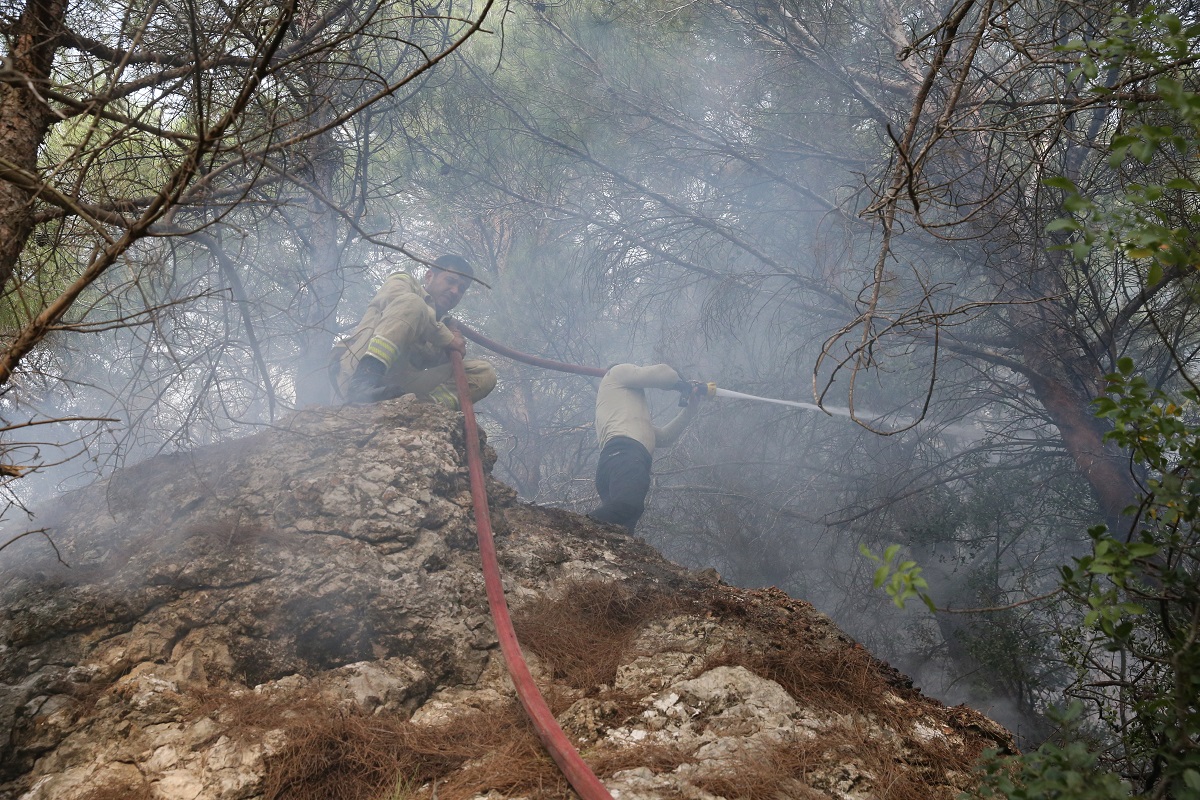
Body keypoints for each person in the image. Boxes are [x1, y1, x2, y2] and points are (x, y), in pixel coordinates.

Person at [331, 254, 497, 409]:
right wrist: (447, 338)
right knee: (414, 303)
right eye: (450, 281)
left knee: (484, 373)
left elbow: (445, 372)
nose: (455, 291)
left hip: (396, 391)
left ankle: (427, 409)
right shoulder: (403, 282)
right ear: (429, 276)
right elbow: (397, 299)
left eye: (462, 289)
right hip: (353, 375)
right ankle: (364, 381)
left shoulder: (447, 328)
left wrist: (453, 350)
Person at [590, 363, 704, 534]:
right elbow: (665, 375)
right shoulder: (616, 372)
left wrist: (691, 408)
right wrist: (684, 384)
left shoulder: (624, 414)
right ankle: (573, 529)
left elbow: (666, 437)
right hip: (626, 455)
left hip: (615, 461)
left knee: (620, 530)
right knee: (628, 505)